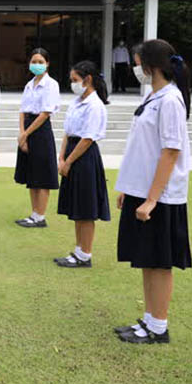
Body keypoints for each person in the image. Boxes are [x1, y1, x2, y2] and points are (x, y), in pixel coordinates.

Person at [113, 40, 192, 344]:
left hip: (161, 196)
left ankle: (159, 327)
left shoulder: (170, 100)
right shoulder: (153, 96)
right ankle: (148, 320)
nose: (135, 69)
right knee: (146, 258)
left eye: (137, 63)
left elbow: (171, 151)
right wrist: (130, 189)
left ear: (150, 65)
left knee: (159, 262)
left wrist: (151, 199)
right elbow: (142, 149)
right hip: (143, 189)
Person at [54, 61, 111, 268]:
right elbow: (67, 132)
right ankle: (78, 251)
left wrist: (68, 162)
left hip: (84, 157)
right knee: (77, 207)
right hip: (72, 153)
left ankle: (85, 254)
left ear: (88, 80)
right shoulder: (76, 102)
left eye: (75, 80)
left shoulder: (95, 105)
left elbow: (87, 139)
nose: (72, 84)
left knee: (86, 209)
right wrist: (61, 158)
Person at [13, 48, 60, 228]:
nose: (37, 65)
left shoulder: (51, 85)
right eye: (34, 61)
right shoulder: (29, 84)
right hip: (27, 128)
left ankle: (40, 216)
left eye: (41, 62)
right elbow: (22, 110)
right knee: (31, 175)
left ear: (47, 63)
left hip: (41, 130)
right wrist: (22, 134)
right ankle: (33, 214)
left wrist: (26, 134)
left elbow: (45, 113)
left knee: (43, 175)